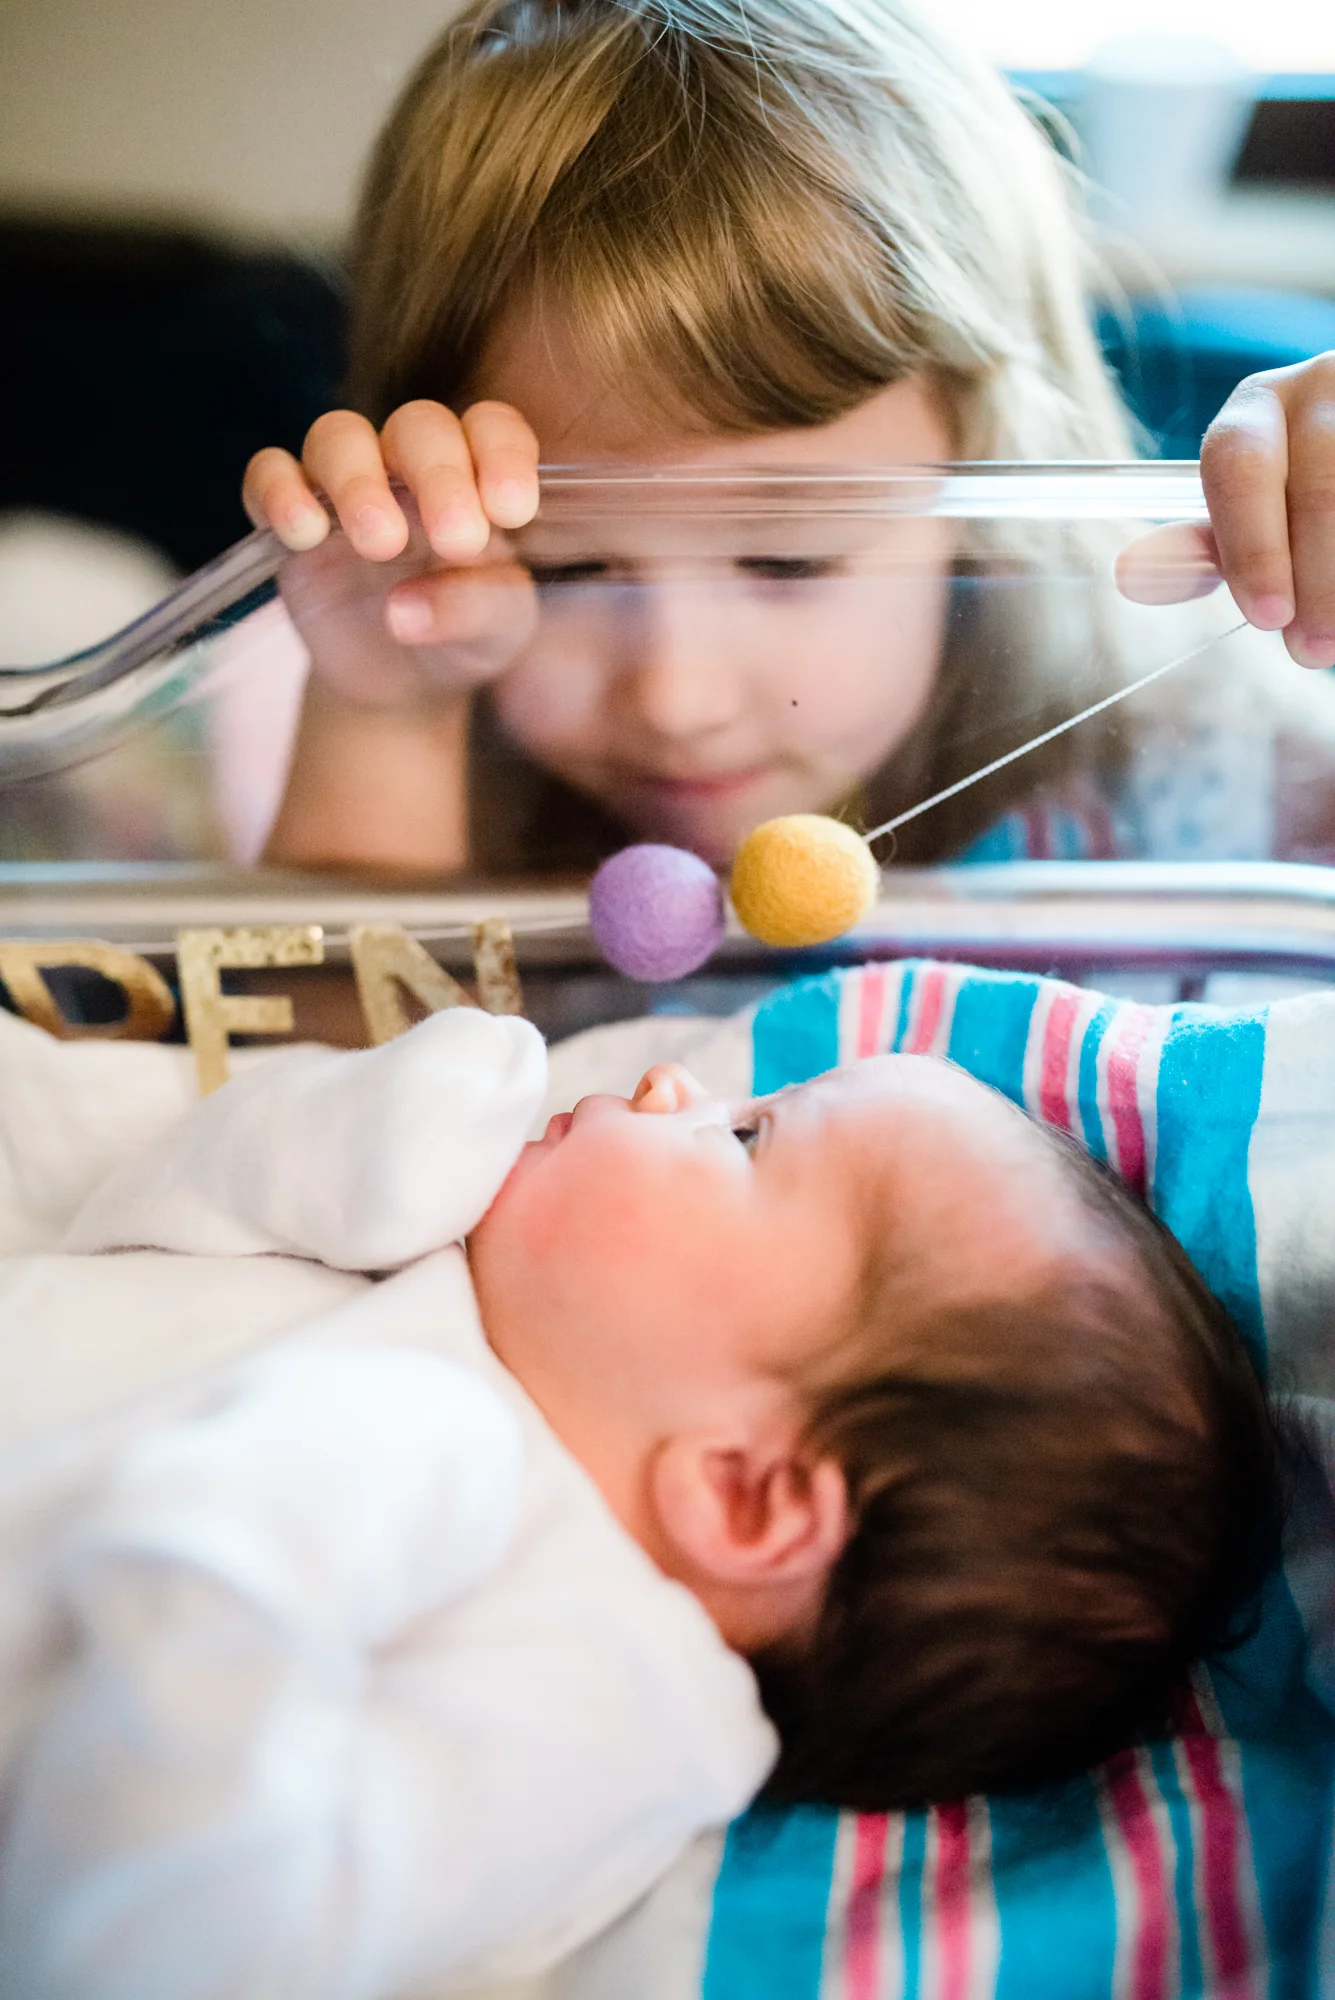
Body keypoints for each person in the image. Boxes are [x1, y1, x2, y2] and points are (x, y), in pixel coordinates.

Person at [0, 1003, 1278, 1996]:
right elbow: (131, 1228)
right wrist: (375, 1140)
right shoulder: (463, 1276)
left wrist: (249, 1553)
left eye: (743, 1137)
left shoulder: (603, 1695)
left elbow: (165, 1937)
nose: (672, 1083)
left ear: (748, 1491)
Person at [237, 0, 1335, 879]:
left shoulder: (1205, 750)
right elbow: (331, 1092)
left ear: (991, 446)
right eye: (563, 565)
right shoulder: (438, 758)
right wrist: (388, 719)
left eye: (786, 557)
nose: (677, 699)